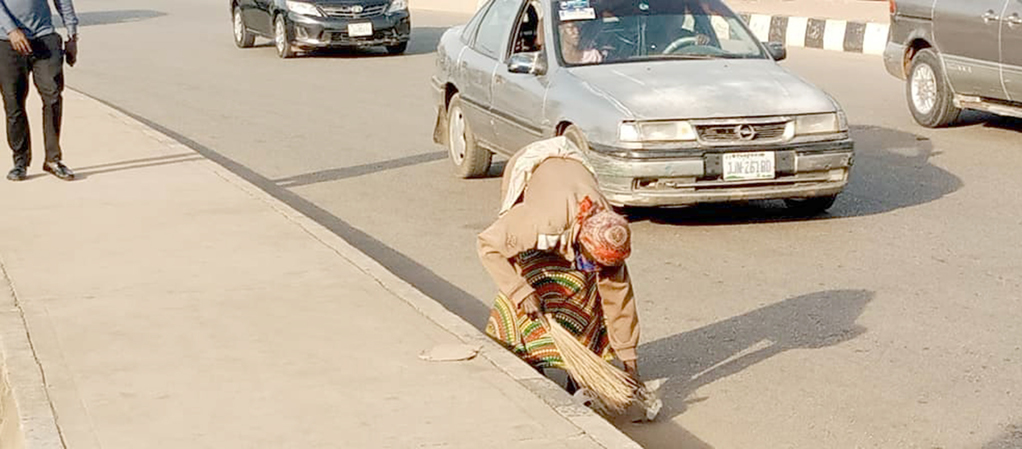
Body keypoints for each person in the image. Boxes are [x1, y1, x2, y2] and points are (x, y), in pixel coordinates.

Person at [478, 136, 642, 384]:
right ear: (582, 243)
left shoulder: (611, 235)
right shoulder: (541, 221)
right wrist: (520, 291)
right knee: (531, 279)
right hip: (533, 169)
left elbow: (618, 298)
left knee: (583, 290)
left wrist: (630, 362)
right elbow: (487, 244)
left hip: (575, 173)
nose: (598, 267)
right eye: (594, 260)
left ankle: (580, 366)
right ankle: (530, 359)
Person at [0, 0, 79, 182]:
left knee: (52, 96)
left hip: (45, 38)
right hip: (7, 42)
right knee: (14, 102)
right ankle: (20, 161)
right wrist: (11, 30)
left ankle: (53, 159)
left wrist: (72, 35)